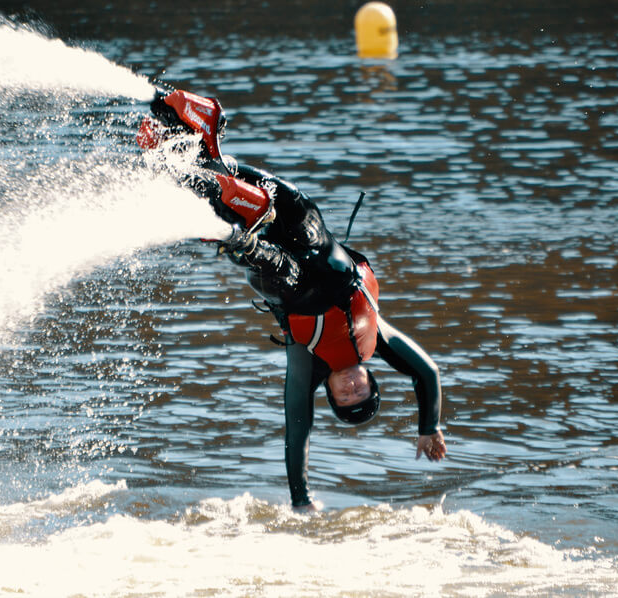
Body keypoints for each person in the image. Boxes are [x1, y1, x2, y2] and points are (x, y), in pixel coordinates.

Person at [137, 87, 447, 510]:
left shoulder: (309, 365)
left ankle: (200, 199)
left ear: (332, 394)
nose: (354, 386)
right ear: (371, 378)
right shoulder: (376, 339)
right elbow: (426, 373)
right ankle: (192, 127)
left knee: (262, 245)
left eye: (347, 395)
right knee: (231, 176)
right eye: (363, 389)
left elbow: (296, 434)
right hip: (304, 222)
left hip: (276, 267)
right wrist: (429, 426)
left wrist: (300, 502)